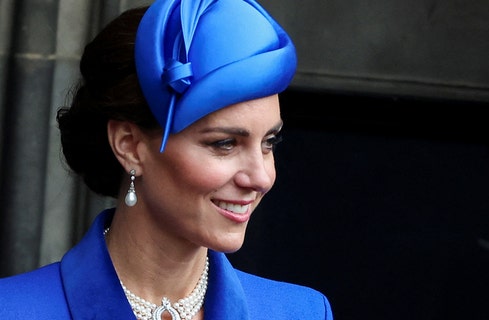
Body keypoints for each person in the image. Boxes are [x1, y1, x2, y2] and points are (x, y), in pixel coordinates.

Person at [0, 0, 334, 319]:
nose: (260, 177)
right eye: (225, 143)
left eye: (269, 142)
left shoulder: (300, 312)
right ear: (130, 145)